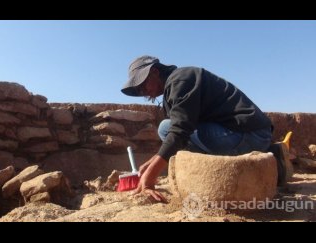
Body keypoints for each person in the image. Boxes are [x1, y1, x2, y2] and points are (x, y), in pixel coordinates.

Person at [121, 55, 288, 202]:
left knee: (167, 128)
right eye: (139, 89)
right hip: (244, 135)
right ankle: (273, 154)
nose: (143, 91)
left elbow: (180, 130)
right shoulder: (172, 88)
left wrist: (151, 175)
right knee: (166, 129)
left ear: (155, 72)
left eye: (142, 84)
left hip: (250, 134)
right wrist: (150, 163)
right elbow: (181, 130)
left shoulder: (181, 79)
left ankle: (266, 154)